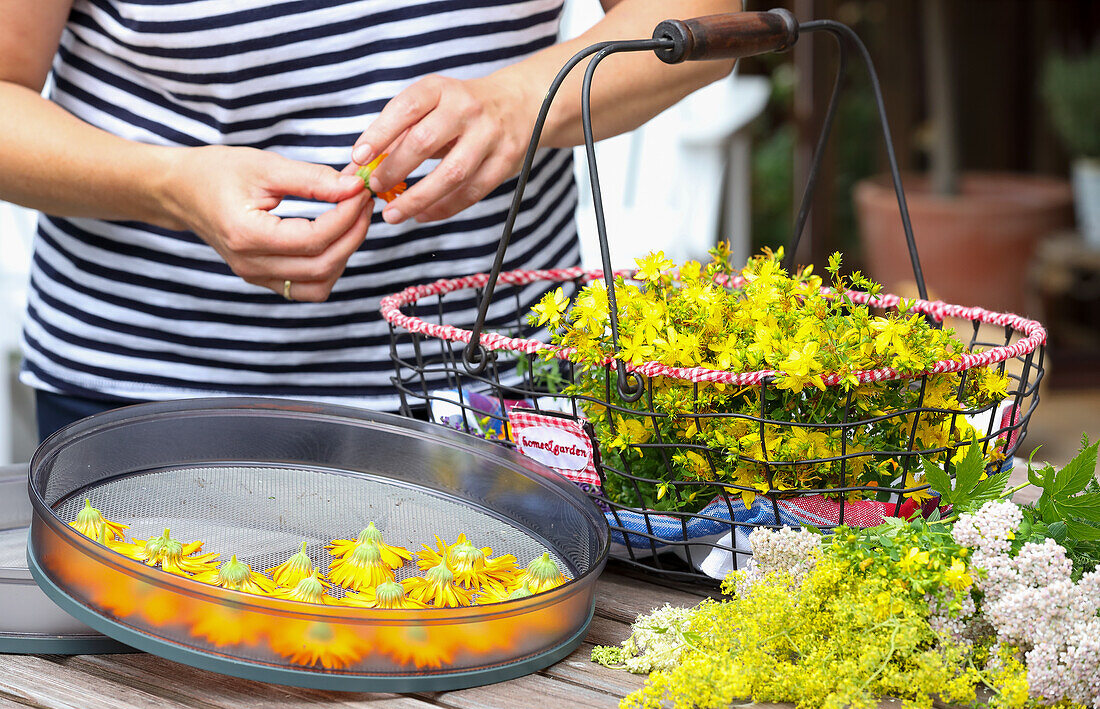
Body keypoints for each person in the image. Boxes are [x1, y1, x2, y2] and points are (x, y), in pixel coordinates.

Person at [0, 0, 737, 441]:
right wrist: (171, 186)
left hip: (493, 396)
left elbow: (706, 22)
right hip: (151, 401)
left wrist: (519, 102)